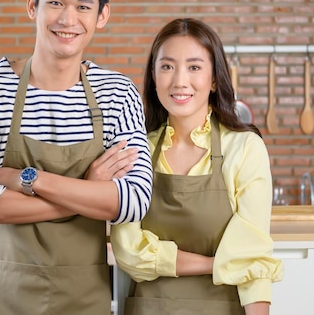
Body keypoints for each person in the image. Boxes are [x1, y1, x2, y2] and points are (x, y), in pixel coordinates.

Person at [0, 0, 153, 315]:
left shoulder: (117, 93)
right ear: (33, 6)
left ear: (102, 16)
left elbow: (134, 201)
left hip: (82, 299)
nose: (68, 19)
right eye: (56, 3)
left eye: (83, 7)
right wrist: (89, 192)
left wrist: (26, 179)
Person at [110, 18, 284, 315]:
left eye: (194, 67)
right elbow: (129, 252)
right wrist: (222, 264)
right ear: (153, 76)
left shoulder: (244, 148)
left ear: (214, 79)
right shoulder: (135, 151)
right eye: (167, 66)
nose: (179, 81)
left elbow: (254, 262)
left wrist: (242, 263)